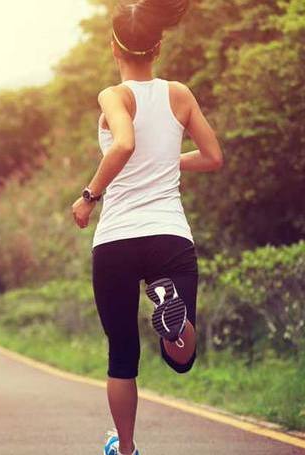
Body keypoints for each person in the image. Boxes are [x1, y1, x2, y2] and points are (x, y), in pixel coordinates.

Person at [70, 1, 224, 454]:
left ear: (113, 48)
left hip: (116, 239)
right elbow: (214, 158)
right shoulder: (180, 93)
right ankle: (174, 321)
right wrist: (165, 163)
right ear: (158, 46)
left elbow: (123, 142)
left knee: (122, 355)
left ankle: (128, 449)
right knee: (181, 357)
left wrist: (88, 197)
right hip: (168, 236)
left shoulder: (113, 96)